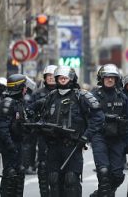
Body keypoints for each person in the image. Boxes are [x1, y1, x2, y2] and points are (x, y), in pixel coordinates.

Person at [37, 66, 105, 196]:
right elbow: (41, 116)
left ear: (72, 78)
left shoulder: (82, 95)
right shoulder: (51, 96)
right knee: (53, 179)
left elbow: (98, 118)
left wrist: (86, 136)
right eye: (60, 77)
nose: (62, 79)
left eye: (65, 77)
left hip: (73, 146)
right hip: (53, 146)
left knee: (71, 180)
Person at [91, 64, 128, 196]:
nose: (109, 80)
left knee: (118, 175)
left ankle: (99, 194)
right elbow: (86, 118)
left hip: (118, 139)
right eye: (107, 77)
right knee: (103, 172)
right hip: (100, 137)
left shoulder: (122, 97)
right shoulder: (93, 96)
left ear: (116, 80)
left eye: (112, 78)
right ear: (101, 79)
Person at [0, 74, 29, 196]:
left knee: (19, 173)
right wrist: (10, 146)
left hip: (18, 143)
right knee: (10, 174)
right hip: (10, 145)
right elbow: (2, 127)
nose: (26, 89)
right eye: (24, 86)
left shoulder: (18, 102)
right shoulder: (8, 103)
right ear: (19, 87)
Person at [30, 65, 58, 196]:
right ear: (45, 78)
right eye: (49, 76)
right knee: (42, 166)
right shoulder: (38, 93)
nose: (51, 78)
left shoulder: (66, 92)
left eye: (53, 76)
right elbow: (30, 111)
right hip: (43, 133)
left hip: (61, 134)